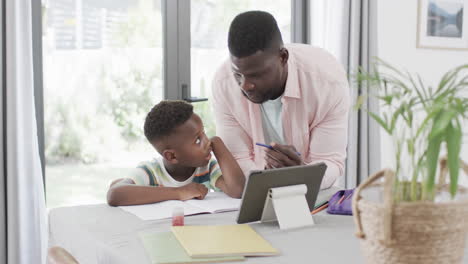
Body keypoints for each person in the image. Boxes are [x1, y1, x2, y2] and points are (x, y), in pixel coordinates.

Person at [211, 11, 350, 189]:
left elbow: (330, 161)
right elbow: (237, 160)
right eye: (238, 74)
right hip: (254, 189)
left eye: (256, 75)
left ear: (283, 57)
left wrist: (302, 173)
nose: (245, 86)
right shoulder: (224, 84)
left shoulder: (327, 82)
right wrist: (266, 183)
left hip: (312, 192)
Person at [107, 100, 245, 206]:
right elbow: (115, 194)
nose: (207, 141)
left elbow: (238, 190)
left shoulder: (206, 168)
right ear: (172, 156)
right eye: (198, 140)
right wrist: (180, 192)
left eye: (204, 134)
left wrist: (218, 143)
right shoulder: (151, 171)